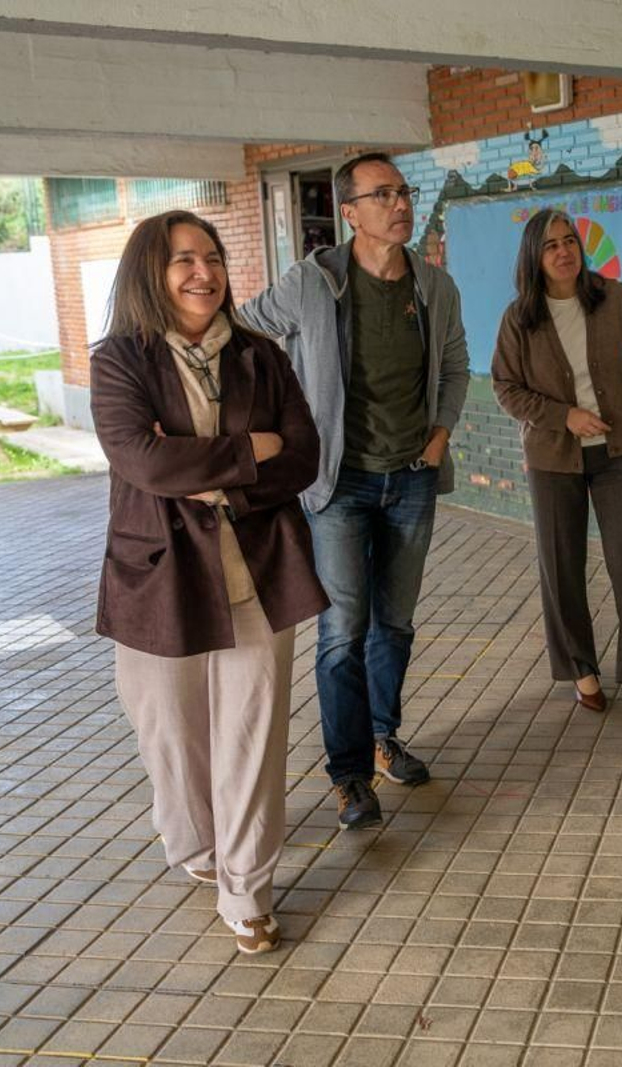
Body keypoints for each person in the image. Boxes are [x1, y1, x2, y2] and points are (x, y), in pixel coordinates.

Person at [91, 210, 328, 953]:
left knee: (251, 737)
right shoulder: (119, 361)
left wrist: (209, 471)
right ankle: (197, 845)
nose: (205, 272)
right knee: (171, 735)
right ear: (150, 276)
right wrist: (245, 451)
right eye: (183, 261)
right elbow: (144, 463)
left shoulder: (261, 354)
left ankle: (248, 887)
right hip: (158, 574)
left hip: (258, 571)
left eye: (213, 256)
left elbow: (303, 456)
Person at [238, 153, 469, 830]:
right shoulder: (314, 282)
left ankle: (381, 733)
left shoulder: (434, 285)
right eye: (383, 194)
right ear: (350, 212)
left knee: (393, 623)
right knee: (342, 629)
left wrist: (439, 435)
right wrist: (283, 424)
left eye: (404, 191)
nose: (400, 203)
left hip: (413, 478)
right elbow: (245, 329)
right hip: (338, 484)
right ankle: (348, 775)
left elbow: (453, 364)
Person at [491, 209, 622, 714]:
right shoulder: (519, 318)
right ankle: (581, 668)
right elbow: (506, 389)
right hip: (555, 460)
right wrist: (564, 416)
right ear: (534, 256)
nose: (563, 252)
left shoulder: (612, 297)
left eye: (570, 242)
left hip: (619, 451)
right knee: (563, 569)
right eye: (551, 245)